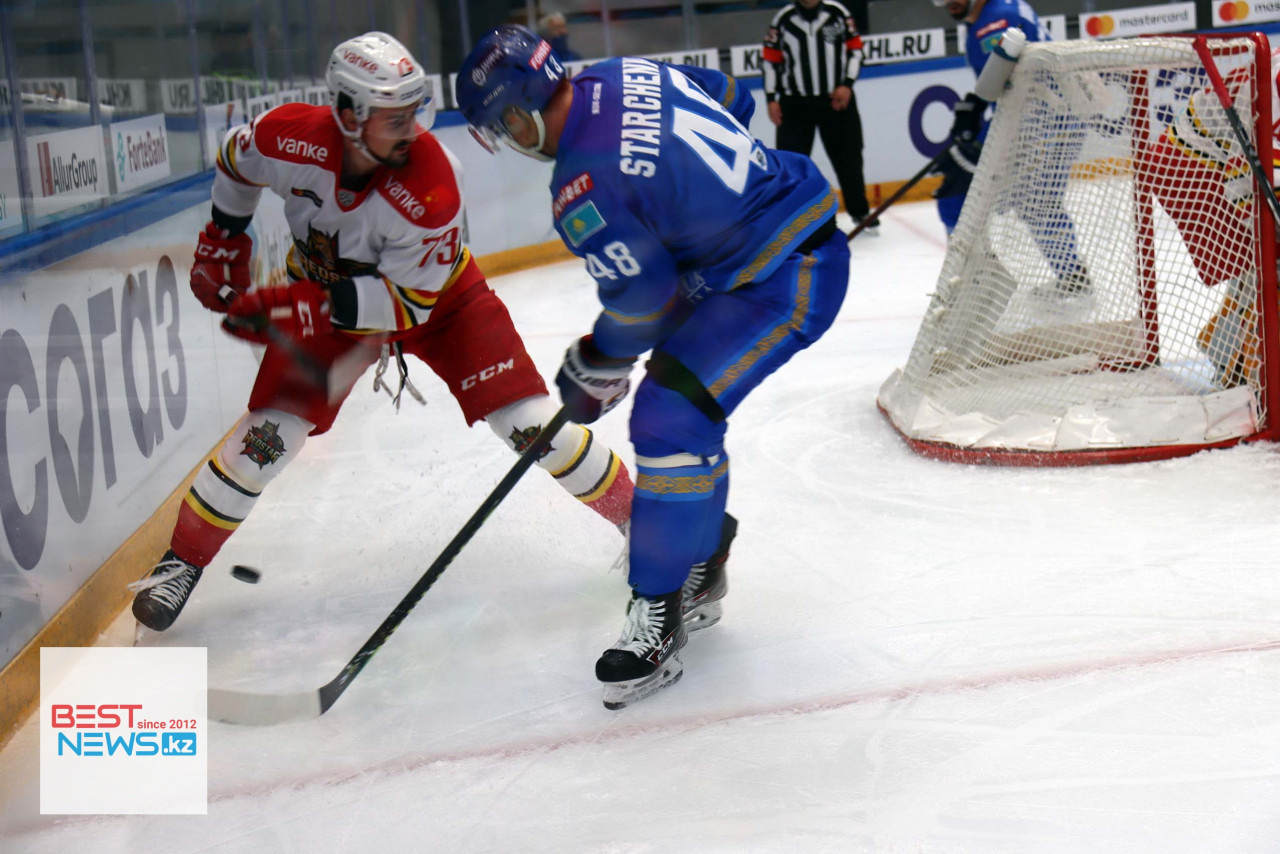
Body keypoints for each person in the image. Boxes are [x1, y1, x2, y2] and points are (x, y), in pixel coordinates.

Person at [130, 31, 633, 633]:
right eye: (394, 118)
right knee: (267, 437)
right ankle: (181, 562)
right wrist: (224, 235)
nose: (412, 129)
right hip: (324, 296)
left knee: (530, 426)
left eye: (413, 111)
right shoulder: (287, 135)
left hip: (440, 304)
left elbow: (406, 308)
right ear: (348, 114)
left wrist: (300, 309)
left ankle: (644, 524)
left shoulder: (434, 182)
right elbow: (237, 162)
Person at [455, 26, 851, 709]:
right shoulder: (622, 71)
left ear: (518, 115)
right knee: (680, 415)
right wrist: (704, 214)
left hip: (785, 276)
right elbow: (733, 97)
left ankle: (658, 609)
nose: (509, 139)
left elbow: (645, 301)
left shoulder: (582, 187)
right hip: (772, 248)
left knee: (670, 418)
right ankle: (703, 556)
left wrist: (597, 360)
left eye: (502, 126)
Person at [932, 0, 1090, 294]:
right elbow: (1006, 80)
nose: (949, 3)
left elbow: (1015, 84)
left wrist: (979, 125)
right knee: (1037, 202)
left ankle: (971, 283)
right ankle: (1072, 276)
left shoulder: (994, 22)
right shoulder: (997, 11)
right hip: (1052, 117)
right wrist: (977, 105)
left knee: (960, 195)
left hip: (1042, 122)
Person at [763, 0, 875, 234]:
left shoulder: (838, 13)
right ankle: (793, 220)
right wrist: (771, 98)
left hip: (836, 100)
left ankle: (860, 212)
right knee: (791, 166)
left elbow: (855, 50)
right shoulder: (783, 20)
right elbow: (770, 60)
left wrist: (847, 84)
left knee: (849, 158)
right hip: (795, 104)